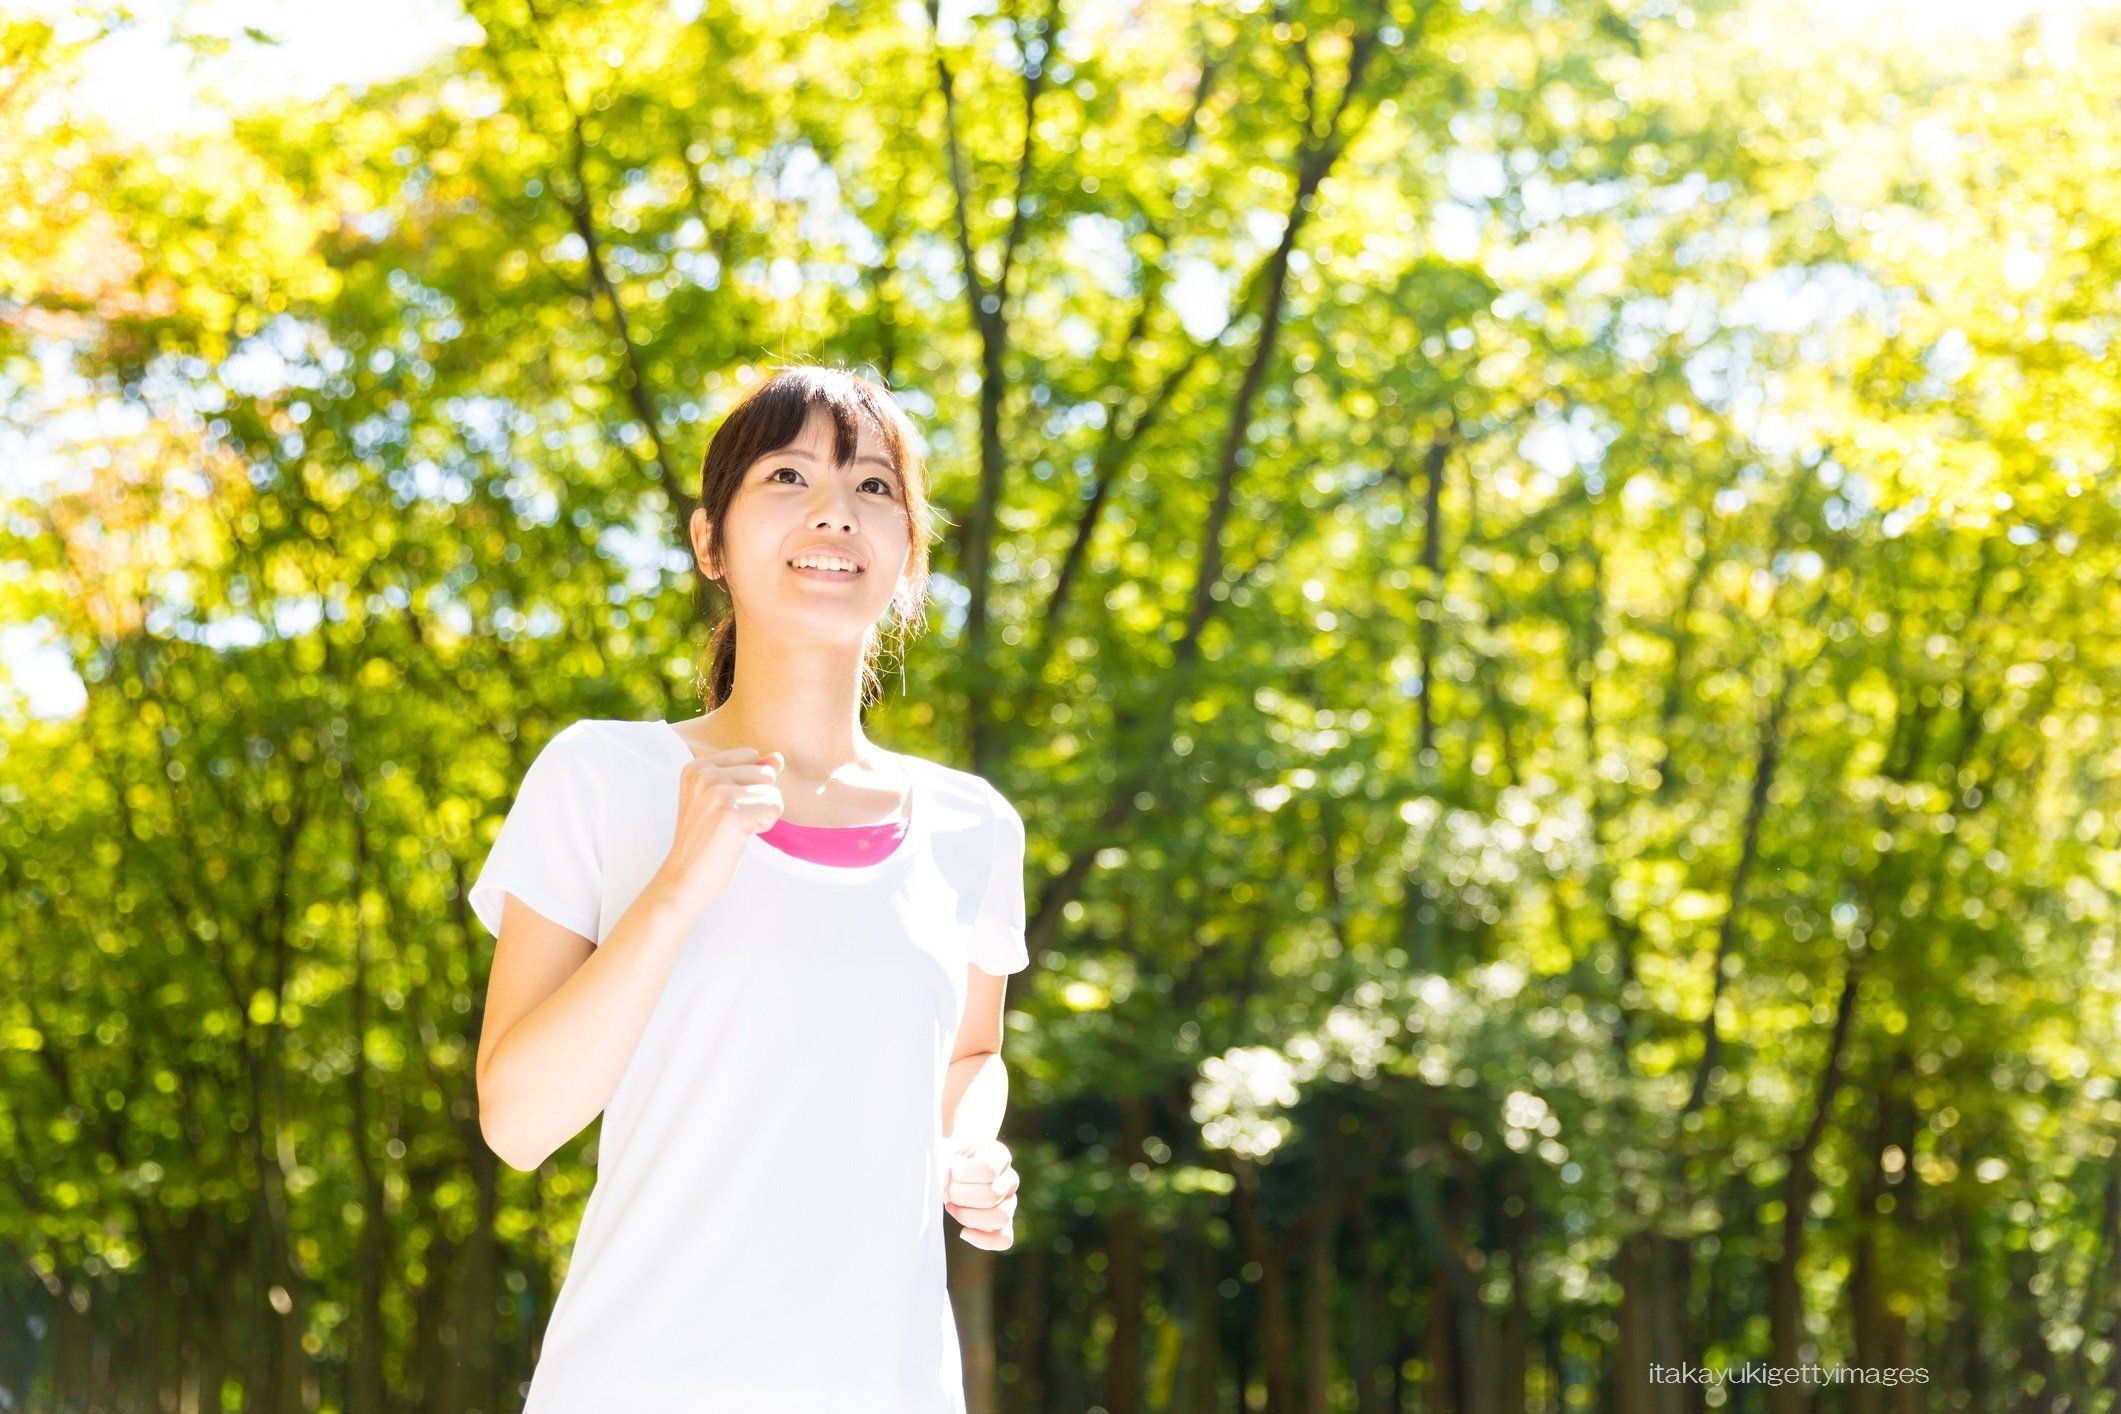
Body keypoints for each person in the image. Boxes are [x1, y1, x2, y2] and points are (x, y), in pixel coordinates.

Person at [468, 364, 1031, 1412]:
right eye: (787, 475)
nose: (835, 510)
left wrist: (969, 1141)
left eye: (874, 487)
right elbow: (518, 1121)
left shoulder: (974, 828)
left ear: (909, 553)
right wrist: (678, 887)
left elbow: (970, 1052)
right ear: (710, 542)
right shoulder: (601, 775)